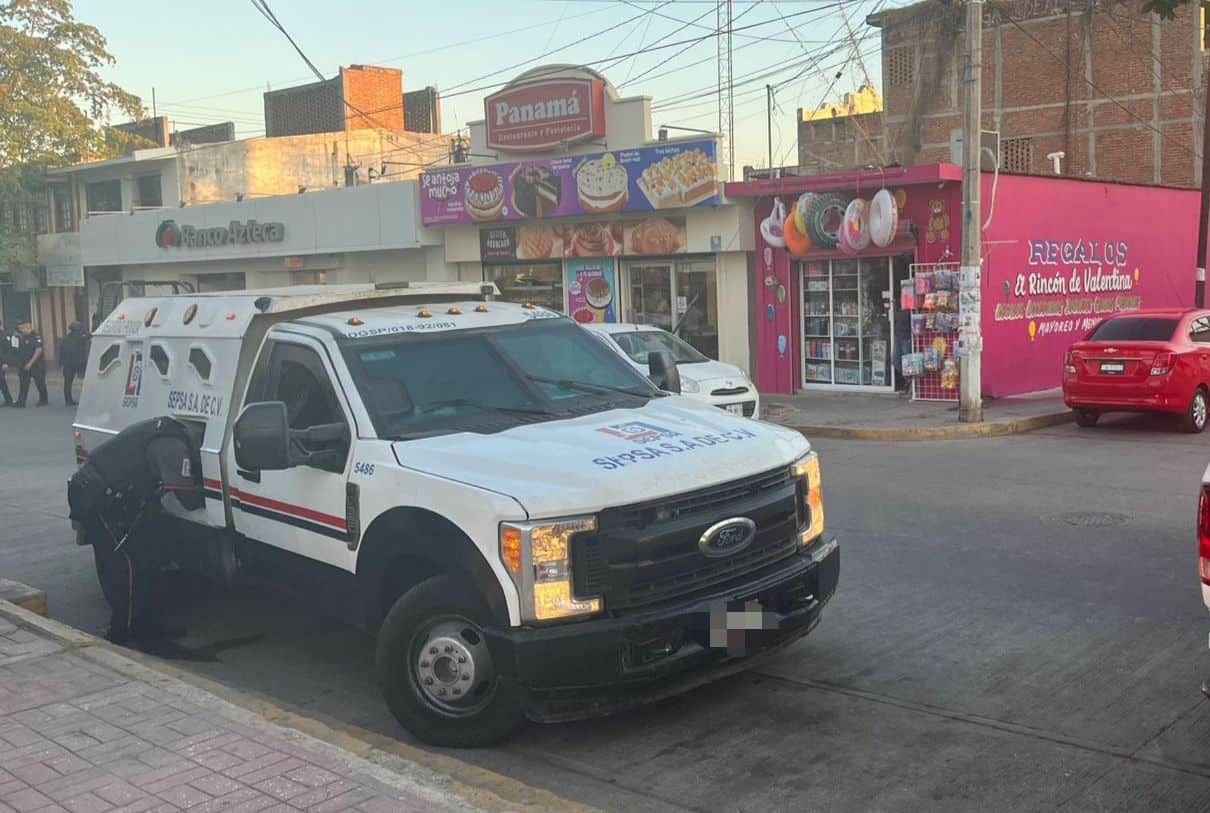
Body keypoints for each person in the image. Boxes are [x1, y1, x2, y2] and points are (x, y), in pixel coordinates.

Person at [13, 318, 48, 407]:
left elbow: (39, 350)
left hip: (36, 365)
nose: (20, 330)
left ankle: (43, 400)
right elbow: (16, 350)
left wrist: (30, 363)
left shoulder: (36, 336)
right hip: (24, 364)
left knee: (40, 383)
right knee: (23, 384)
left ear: (28, 328)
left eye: (22, 328)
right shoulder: (21, 337)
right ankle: (21, 402)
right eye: (19, 329)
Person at [60, 322, 88, 406]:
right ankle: (86, 399)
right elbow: (89, 336)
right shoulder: (80, 337)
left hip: (68, 364)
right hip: (77, 363)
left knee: (67, 383)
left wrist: (61, 363)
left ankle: (68, 401)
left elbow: (61, 352)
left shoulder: (66, 338)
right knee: (86, 381)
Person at [0, 320, 13, 407]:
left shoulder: (4, 335)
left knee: (1, 380)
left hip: (2, 361)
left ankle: (9, 399)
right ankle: (8, 399)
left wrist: (6, 363)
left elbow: (8, 350)